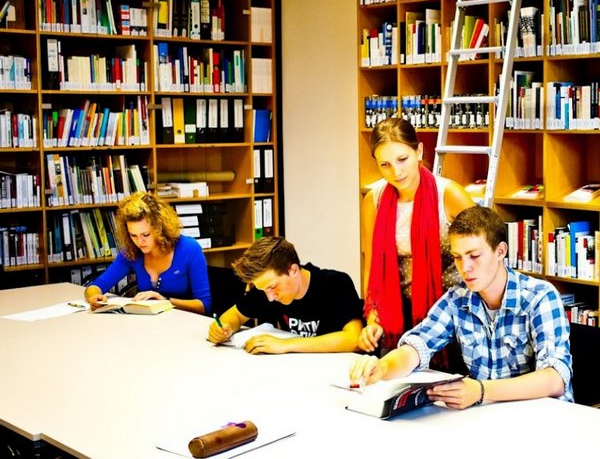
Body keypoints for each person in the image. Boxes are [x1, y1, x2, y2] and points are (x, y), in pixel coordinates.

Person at [350, 206, 573, 408]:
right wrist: (383, 367)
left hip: (543, 419)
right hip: (487, 418)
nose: (465, 268)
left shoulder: (540, 296)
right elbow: (416, 346)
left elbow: (554, 379)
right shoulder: (457, 299)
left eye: (474, 255)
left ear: (500, 251)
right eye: (457, 257)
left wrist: (481, 390)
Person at [360, 117, 474, 355]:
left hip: (452, 315)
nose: (396, 172)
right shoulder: (374, 200)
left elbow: (483, 253)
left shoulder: (450, 195)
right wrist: (373, 318)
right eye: (385, 165)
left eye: (402, 159)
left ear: (419, 151)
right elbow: (372, 266)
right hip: (397, 317)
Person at [207, 236, 363, 354]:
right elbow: (235, 315)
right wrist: (224, 329)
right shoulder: (266, 289)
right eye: (263, 290)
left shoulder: (335, 284)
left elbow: (354, 338)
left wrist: (285, 344)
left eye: (273, 287)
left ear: (293, 270)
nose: (270, 297)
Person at [84, 192, 212, 315]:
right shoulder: (132, 251)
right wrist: (94, 297)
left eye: (145, 234)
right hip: (147, 327)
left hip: (183, 325)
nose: (139, 242)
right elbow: (96, 286)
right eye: (133, 235)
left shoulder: (189, 249)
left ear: (160, 229)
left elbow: (204, 306)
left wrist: (165, 301)